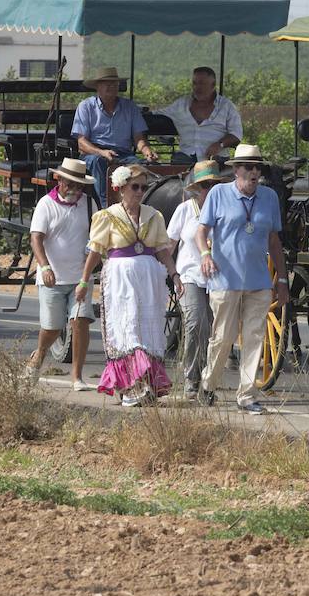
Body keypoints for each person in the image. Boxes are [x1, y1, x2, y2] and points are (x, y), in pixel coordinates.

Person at [196, 144, 289, 413]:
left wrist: (281, 280)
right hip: (225, 279)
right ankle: (209, 384)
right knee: (223, 338)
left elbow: (274, 240)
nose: (253, 172)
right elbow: (201, 231)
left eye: (257, 167)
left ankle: (247, 394)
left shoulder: (269, 197)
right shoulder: (218, 193)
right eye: (248, 167)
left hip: (259, 280)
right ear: (236, 170)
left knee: (254, 337)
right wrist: (205, 254)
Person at [76, 163, 177, 407]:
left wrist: (175, 274)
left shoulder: (154, 216)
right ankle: (131, 386)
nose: (140, 191)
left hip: (149, 280)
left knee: (148, 331)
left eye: (144, 187)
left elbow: (163, 250)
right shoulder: (108, 216)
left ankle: (148, 384)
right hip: (121, 280)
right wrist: (84, 280)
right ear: (122, 188)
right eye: (135, 187)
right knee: (127, 330)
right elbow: (95, 251)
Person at [27, 158, 99, 392]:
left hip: (80, 279)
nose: (75, 190)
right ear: (59, 180)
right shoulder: (45, 204)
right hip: (52, 278)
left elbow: (96, 239)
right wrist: (45, 267)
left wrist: (87, 274)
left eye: (79, 186)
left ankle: (77, 377)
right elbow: (36, 238)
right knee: (53, 328)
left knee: (80, 323)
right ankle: (39, 355)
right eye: (70, 185)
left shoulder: (89, 205)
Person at [168, 160, 228, 398]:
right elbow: (168, 246)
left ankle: (208, 379)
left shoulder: (225, 211)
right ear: (197, 188)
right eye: (205, 185)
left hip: (219, 278)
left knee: (217, 330)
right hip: (190, 274)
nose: (210, 190)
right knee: (196, 323)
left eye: (214, 185)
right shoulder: (185, 210)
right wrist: (172, 275)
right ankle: (192, 377)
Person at [72, 66, 159, 204]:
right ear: (97, 87)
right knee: (98, 162)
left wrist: (147, 151)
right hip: (93, 154)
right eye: (107, 83)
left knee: (142, 167)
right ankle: (106, 206)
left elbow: (139, 138)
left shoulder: (129, 107)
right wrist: (101, 152)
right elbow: (81, 143)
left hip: (124, 155)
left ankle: (142, 203)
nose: (111, 86)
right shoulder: (86, 107)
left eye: (114, 83)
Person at [154, 66, 243, 164]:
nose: (197, 87)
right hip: (185, 158)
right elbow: (155, 115)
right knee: (178, 161)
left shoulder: (227, 106)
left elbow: (236, 134)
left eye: (202, 83)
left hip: (215, 159)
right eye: (194, 83)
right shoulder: (180, 105)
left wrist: (220, 144)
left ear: (213, 85)